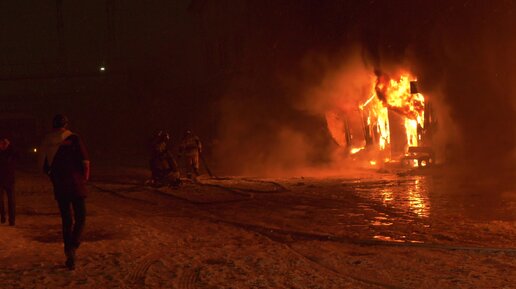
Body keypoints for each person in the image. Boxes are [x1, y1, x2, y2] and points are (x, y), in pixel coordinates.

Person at [40, 114, 90, 270]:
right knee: (81, 216)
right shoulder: (74, 138)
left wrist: (53, 175)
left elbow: (43, 165)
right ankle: (73, 245)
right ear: (66, 124)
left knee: (66, 220)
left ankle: (69, 252)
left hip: (60, 185)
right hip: (76, 184)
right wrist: (84, 178)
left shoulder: (47, 140)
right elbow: (85, 161)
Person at [0, 138, 16, 226]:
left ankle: (12, 220)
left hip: (10, 180)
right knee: (0, 201)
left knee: (11, 202)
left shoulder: (11, 152)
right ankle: (2, 216)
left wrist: (10, 146)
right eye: (1, 144)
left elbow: (18, 155)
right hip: (0, 180)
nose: (3, 145)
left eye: (4, 144)